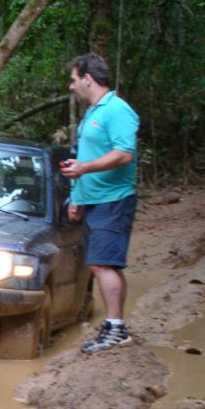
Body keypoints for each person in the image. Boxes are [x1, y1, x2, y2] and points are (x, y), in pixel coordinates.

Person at [60, 53, 140, 354]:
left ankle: (116, 328)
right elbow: (84, 160)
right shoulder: (92, 114)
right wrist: (77, 196)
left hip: (114, 199)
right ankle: (113, 325)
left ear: (87, 78)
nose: (71, 86)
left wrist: (83, 168)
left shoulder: (117, 110)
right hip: (94, 200)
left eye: (73, 80)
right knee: (102, 264)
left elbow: (124, 154)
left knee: (104, 264)